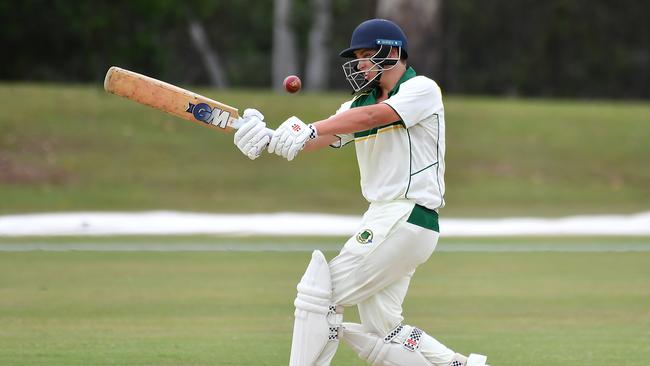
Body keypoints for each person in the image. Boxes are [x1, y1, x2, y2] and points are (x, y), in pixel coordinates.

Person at [233, 18, 489, 366]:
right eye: (358, 57)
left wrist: (307, 128)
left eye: (369, 54)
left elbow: (372, 117)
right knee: (384, 330)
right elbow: (317, 138)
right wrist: (270, 137)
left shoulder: (421, 90)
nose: (361, 63)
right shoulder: (357, 104)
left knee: (319, 296)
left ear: (394, 52)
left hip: (405, 214)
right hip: (393, 221)